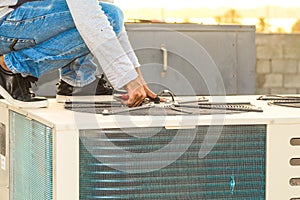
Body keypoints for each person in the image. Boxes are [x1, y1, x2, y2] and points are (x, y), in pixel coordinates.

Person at [0, 0, 157, 108]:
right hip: (5, 20)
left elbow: (112, 24)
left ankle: (77, 81)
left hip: (14, 20)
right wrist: (128, 79)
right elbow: (91, 16)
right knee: (104, 15)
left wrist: (137, 78)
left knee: (107, 15)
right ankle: (10, 66)